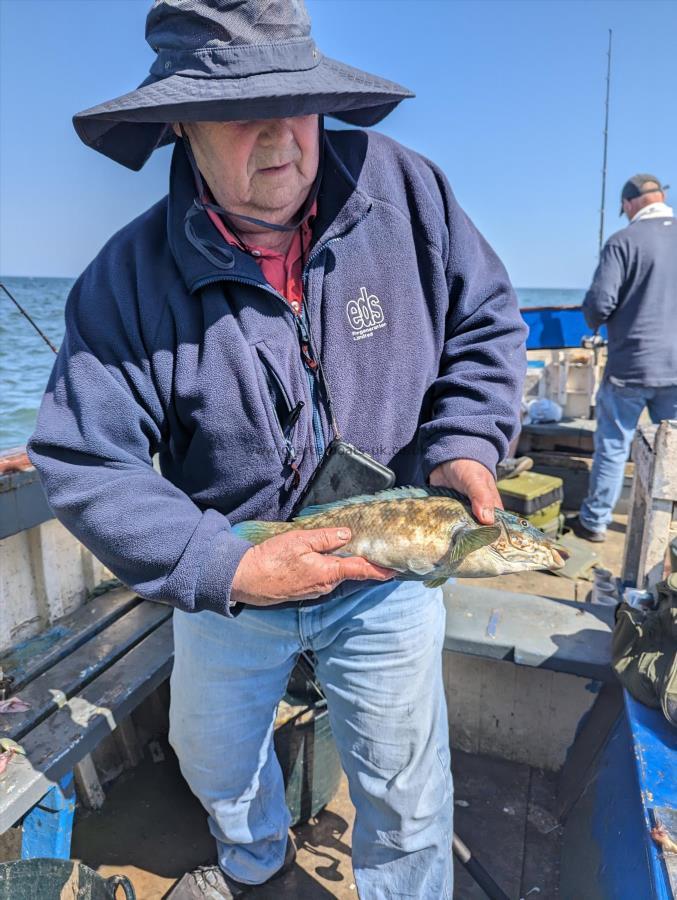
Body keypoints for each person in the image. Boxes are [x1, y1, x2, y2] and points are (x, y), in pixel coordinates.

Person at [28, 2, 527, 897]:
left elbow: (484, 326)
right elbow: (83, 455)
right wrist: (217, 565)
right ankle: (258, 864)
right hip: (235, 574)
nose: (280, 142)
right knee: (211, 759)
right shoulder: (125, 278)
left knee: (408, 796)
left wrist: (463, 443)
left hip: (388, 568)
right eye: (237, 113)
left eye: (298, 105)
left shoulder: (407, 193)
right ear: (178, 122)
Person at [574, 174, 676, 543]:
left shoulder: (623, 242)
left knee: (615, 448)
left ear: (631, 203)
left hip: (631, 366)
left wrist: (592, 317)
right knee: (675, 450)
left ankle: (596, 521)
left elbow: (600, 304)